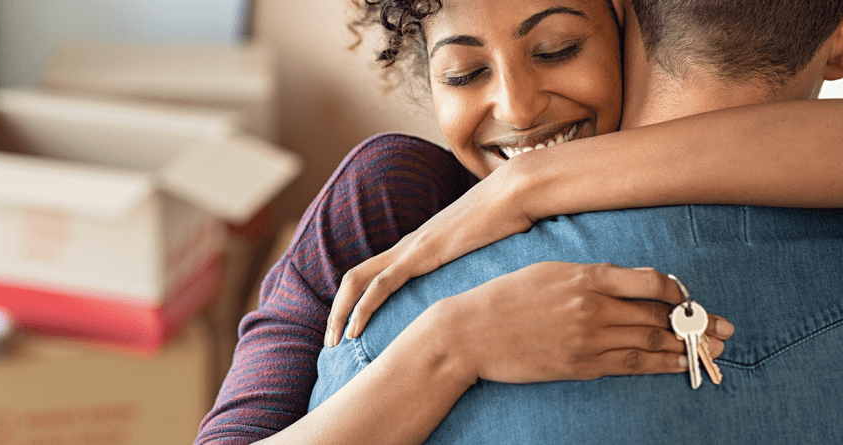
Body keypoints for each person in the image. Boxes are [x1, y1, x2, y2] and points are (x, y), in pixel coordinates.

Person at [195, 0, 843, 443]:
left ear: (625, 21)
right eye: (465, 72)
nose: (520, 107)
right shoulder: (391, 200)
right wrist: (453, 344)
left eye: (558, 49)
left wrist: (525, 187)